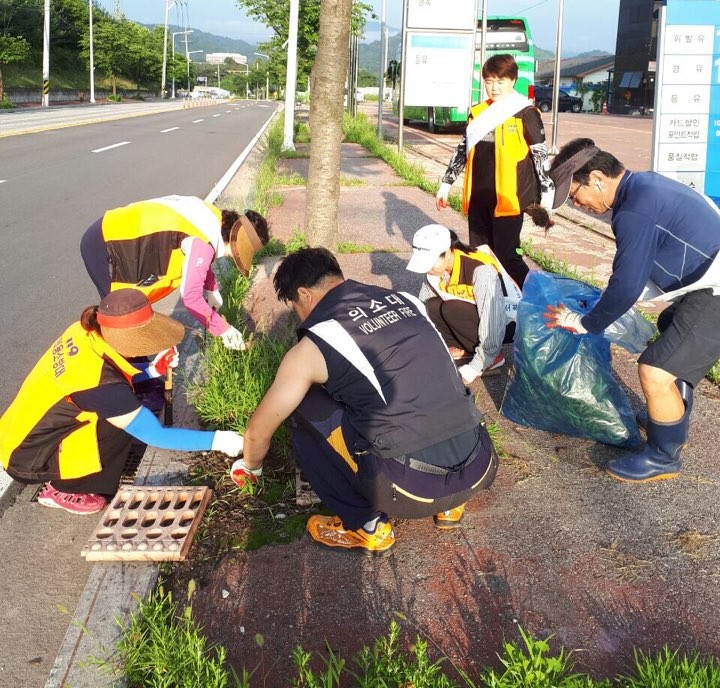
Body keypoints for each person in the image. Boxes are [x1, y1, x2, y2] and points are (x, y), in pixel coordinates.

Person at [229, 247, 498, 553]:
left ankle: (367, 527)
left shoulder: (317, 341)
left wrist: (251, 468)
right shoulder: (407, 301)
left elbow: (258, 432)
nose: (299, 317)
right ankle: (452, 505)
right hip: (478, 463)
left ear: (304, 295)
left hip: (411, 487)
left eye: (295, 309)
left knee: (305, 407)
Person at [543, 137, 720, 483]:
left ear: (596, 178)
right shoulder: (643, 186)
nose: (579, 205)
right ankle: (670, 416)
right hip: (707, 280)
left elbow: (626, 285)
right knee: (671, 328)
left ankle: (663, 456)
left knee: (654, 369)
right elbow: (633, 273)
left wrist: (585, 323)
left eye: (575, 195)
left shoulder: (633, 211)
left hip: (715, 290)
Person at [0, 289, 244, 514]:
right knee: (125, 422)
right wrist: (219, 440)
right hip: (28, 458)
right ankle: (64, 488)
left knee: (126, 410)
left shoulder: (83, 330)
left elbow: (106, 372)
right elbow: (155, 435)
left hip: (14, 431)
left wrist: (150, 369)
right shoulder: (100, 385)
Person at [80, 195, 270, 350]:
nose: (233, 257)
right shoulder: (202, 244)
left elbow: (197, 250)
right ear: (234, 241)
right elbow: (191, 297)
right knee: (123, 323)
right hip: (109, 247)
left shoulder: (211, 217)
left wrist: (211, 288)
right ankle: (106, 368)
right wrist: (224, 329)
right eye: (240, 252)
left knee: (125, 321)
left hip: (109, 228)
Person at [436, 54, 554, 287]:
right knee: (481, 254)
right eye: (489, 81)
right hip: (478, 197)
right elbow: (462, 150)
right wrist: (445, 184)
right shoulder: (478, 112)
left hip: (509, 200)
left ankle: (536, 295)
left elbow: (540, 157)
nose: (494, 87)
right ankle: (491, 298)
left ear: (513, 80)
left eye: (500, 81)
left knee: (508, 257)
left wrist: (547, 200)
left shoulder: (525, 113)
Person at [406, 223, 520, 385]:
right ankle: (463, 348)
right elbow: (422, 307)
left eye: (429, 263)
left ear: (447, 253)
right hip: (472, 315)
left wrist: (477, 366)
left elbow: (493, 320)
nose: (427, 269)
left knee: (452, 308)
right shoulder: (435, 269)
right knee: (431, 306)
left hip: (502, 323)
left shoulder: (481, 270)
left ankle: (493, 357)